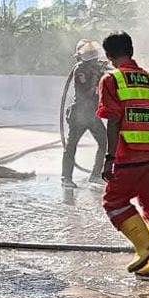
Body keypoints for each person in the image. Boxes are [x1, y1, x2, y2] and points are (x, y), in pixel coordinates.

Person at [97, 32, 149, 277]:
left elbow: (112, 121)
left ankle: (144, 246)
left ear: (109, 56)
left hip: (128, 155)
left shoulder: (111, 79)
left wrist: (109, 158)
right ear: (131, 50)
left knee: (114, 202)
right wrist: (148, 122)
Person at [61, 39, 106, 187]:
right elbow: (85, 94)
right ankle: (66, 178)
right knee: (72, 145)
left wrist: (101, 75)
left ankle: (95, 175)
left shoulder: (97, 70)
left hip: (93, 114)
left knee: (104, 142)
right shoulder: (80, 70)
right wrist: (94, 78)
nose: (95, 61)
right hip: (80, 114)